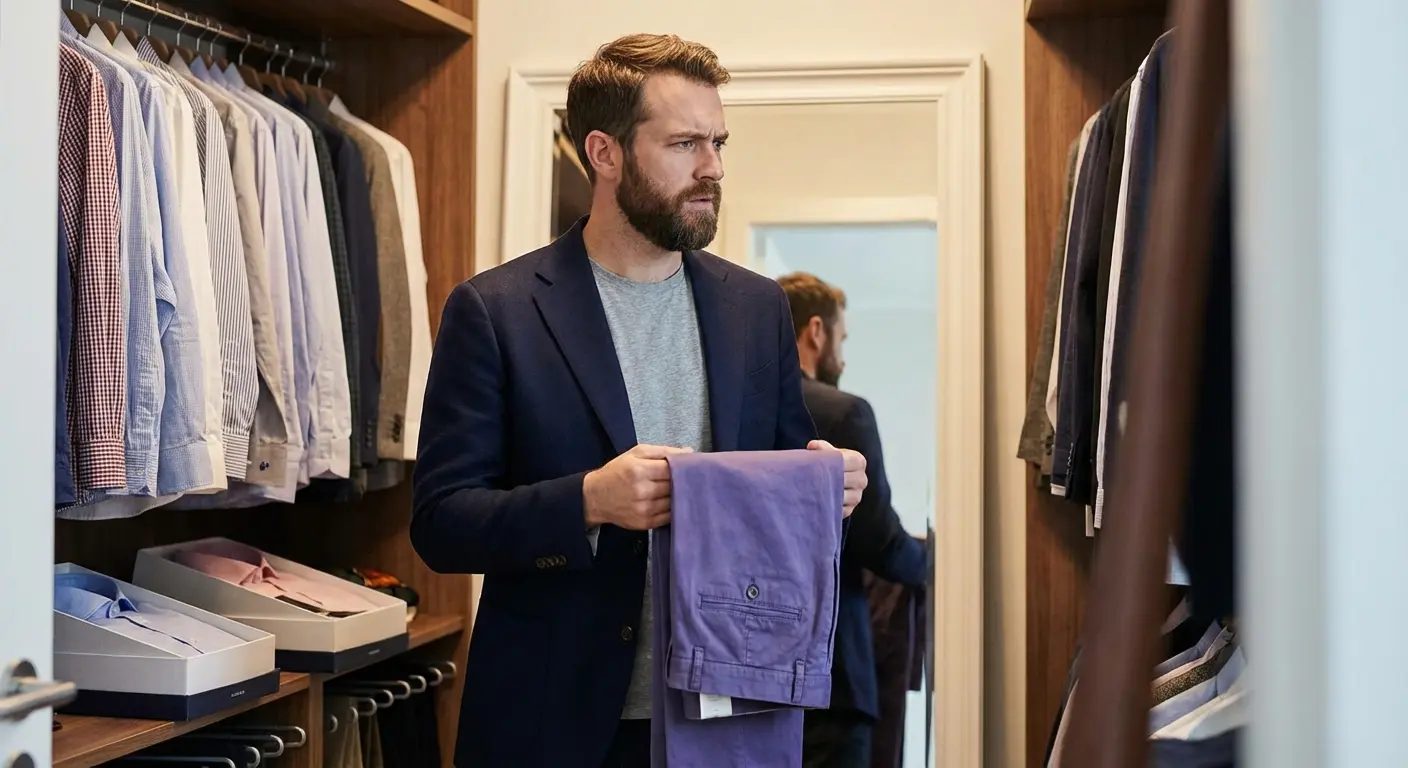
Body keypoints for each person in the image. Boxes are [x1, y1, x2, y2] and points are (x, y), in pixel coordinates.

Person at [410, 34, 868, 768]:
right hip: (552, 724)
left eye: (718, 141)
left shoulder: (755, 309)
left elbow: (778, 491)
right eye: (685, 142)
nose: (713, 166)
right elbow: (440, 524)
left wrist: (822, 486)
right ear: (605, 152)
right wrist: (589, 500)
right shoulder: (494, 311)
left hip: (725, 716)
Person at [778, 272, 930, 768]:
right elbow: (878, 541)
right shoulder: (844, 414)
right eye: (841, 339)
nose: (842, 355)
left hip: (744, 666)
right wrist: (929, 559)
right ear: (816, 331)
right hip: (833, 668)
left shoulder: (737, 413)